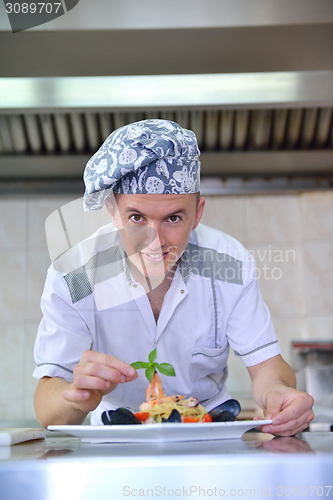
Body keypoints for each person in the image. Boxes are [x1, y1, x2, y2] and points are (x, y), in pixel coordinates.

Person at [33, 119, 314, 436]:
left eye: (173, 218)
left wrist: (276, 393)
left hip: (208, 435)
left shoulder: (228, 264)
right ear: (112, 212)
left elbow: (266, 365)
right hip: (114, 443)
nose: (155, 240)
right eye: (137, 217)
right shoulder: (76, 276)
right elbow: (47, 403)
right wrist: (75, 398)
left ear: (197, 213)